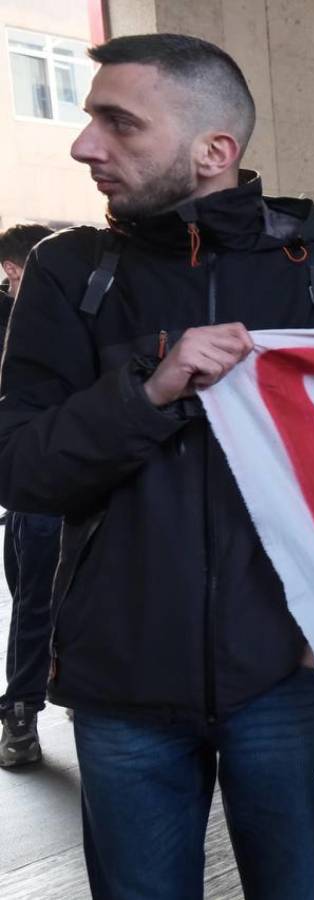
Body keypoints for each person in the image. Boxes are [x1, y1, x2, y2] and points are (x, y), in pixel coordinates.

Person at [0, 34, 314, 897]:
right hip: (120, 683)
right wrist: (150, 389)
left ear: (215, 151)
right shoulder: (68, 274)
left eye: (118, 123)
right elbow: (20, 469)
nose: (85, 145)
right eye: (91, 120)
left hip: (288, 675)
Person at [0, 222, 60, 769]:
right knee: (30, 595)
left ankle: (22, 711)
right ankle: (22, 708)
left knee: (38, 600)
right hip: (31, 485)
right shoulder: (8, 318)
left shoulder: (75, 315)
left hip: (62, 486)